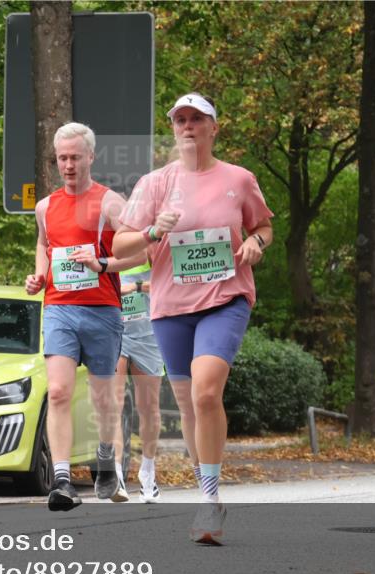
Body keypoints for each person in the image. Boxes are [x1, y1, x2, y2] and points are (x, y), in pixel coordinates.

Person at [113, 93, 273, 543]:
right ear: (173, 128)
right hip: (171, 306)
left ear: (213, 128)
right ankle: (210, 494)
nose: (187, 126)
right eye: (180, 120)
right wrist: (151, 230)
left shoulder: (239, 179)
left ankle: (208, 501)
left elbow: (263, 226)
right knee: (187, 404)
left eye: (196, 119)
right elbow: (122, 245)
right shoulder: (155, 184)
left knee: (206, 393)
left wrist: (256, 244)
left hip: (226, 297)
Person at [25, 122, 146, 511]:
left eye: (75, 157)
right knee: (58, 391)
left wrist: (103, 263)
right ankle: (62, 480)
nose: (69, 165)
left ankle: (107, 459)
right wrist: (39, 275)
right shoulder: (45, 207)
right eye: (62, 158)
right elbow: (44, 244)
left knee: (104, 398)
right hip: (58, 307)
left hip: (102, 311)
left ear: (91, 157)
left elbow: (142, 253)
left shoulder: (112, 203)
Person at [114, 261, 165, 502]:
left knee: (148, 407)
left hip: (149, 335)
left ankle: (148, 473)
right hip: (116, 331)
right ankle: (116, 475)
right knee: (113, 402)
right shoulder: (111, 244)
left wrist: (140, 286)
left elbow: (168, 283)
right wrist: (137, 286)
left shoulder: (153, 243)